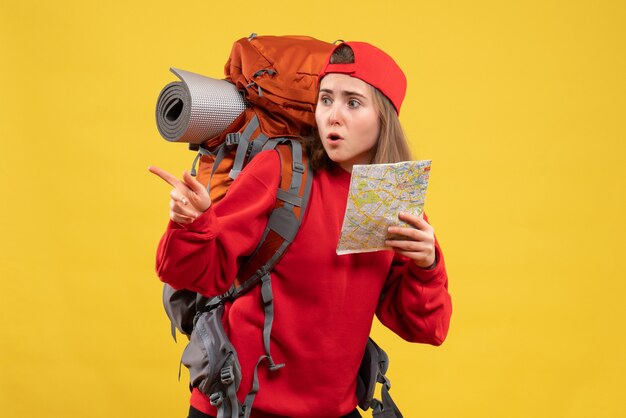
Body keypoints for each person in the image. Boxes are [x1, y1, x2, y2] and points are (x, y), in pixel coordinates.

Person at [150, 41, 452, 418]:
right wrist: (191, 224)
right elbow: (199, 274)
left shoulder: (389, 195)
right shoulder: (281, 170)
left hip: (333, 410)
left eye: (352, 103)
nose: (332, 116)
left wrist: (427, 266)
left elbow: (426, 328)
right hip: (240, 406)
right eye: (326, 99)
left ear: (384, 116)